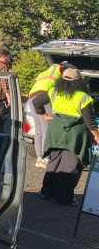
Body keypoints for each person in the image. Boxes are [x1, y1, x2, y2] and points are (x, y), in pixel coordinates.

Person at [33, 67, 99, 206]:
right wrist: (97, 136)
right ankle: (64, 198)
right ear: (78, 81)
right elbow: (90, 122)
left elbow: (36, 102)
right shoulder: (84, 97)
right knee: (69, 167)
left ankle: (46, 192)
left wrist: (43, 115)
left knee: (54, 162)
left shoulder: (54, 91)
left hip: (56, 132)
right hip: (74, 136)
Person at [25, 61, 75, 168]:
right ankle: (46, 157)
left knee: (39, 130)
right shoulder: (60, 70)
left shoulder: (44, 73)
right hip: (43, 98)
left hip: (31, 99)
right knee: (46, 129)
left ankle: (39, 157)